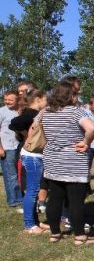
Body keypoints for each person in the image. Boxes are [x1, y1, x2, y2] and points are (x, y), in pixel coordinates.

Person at [41, 79, 94, 245]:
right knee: (75, 200)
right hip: (73, 159)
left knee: (55, 199)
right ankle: (79, 236)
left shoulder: (47, 113)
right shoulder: (75, 112)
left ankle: (54, 233)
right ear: (70, 96)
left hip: (53, 159)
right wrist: (86, 142)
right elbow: (92, 128)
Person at [10, 89, 47, 232]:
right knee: (32, 190)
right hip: (32, 155)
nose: (47, 102)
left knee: (34, 189)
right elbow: (14, 123)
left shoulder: (32, 113)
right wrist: (27, 136)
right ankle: (29, 224)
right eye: (45, 99)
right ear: (38, 99)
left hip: (35, 155)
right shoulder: (31, 113)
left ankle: (35, 222)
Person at [0, 91, 23, 211]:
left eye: (10, 100)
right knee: (11, 175)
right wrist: (0, 148)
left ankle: (19, 197)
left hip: (18, 147)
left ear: (17, 100)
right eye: (6, 99)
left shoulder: (20, 111)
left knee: (18, 174)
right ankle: (13, 200)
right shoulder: (1, 112)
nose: (7, 101)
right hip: (7, 148)